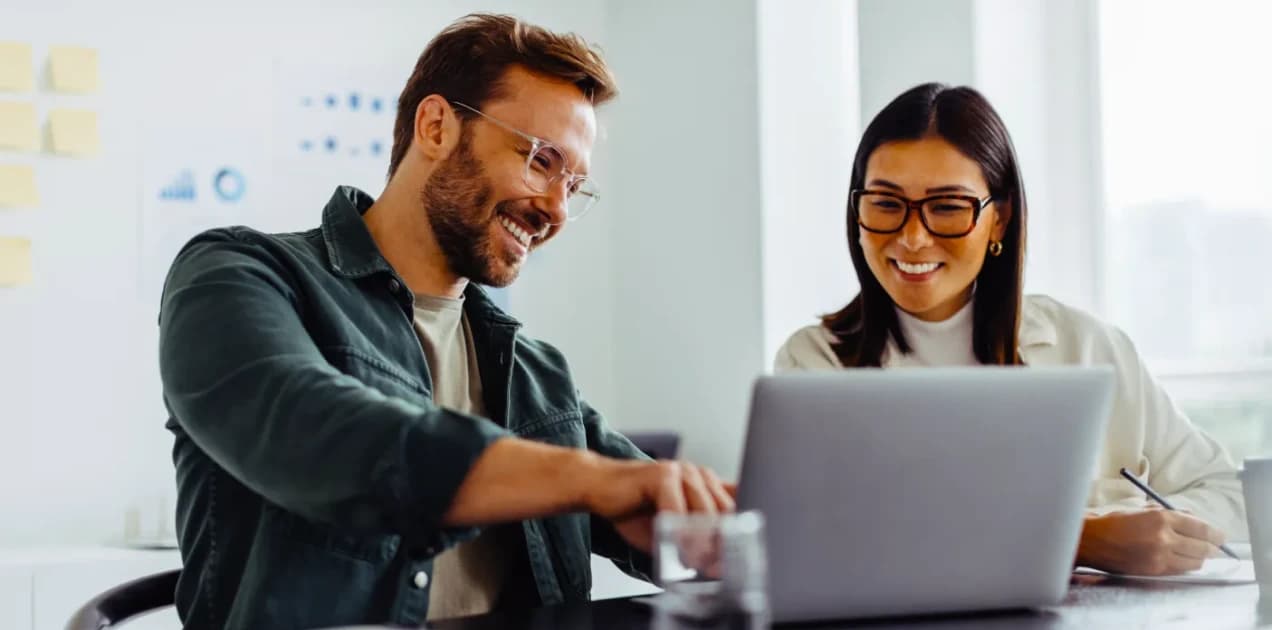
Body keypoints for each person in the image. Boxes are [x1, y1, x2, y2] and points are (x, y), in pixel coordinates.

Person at [158, 14, 733, 630]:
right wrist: (590, 479)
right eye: (541, 160)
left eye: (574, 186)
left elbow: (649, 501)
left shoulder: (537, 374)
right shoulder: (238, 274)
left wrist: (723, 524)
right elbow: (318, 430)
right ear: (436, 126)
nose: (556, 210)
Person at [774, 83, 1244, 577]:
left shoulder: (1087, 346)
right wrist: (1080, 538)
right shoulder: (814, 364)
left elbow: (1230, 496)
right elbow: (823, 537)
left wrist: (1154, 531)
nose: (912, 237)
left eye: (948, 207)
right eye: (886, 204)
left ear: (999, 220)